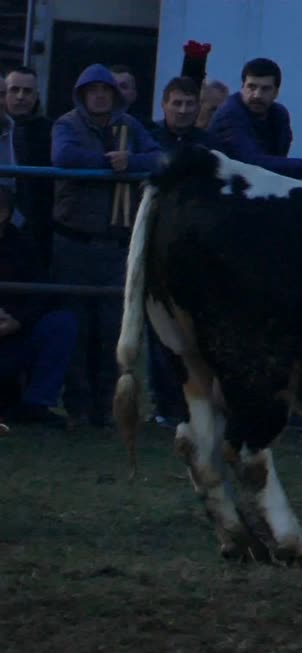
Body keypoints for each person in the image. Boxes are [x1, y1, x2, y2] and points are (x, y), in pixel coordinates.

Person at [50, 64, 164, 426]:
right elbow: (63, 157)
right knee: (77, 328)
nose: (100, 96)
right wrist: (106, 164)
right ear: (82, 94)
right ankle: (78, 407)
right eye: (93, 90)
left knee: (113, 330)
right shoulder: (67, 124)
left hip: (117, 246)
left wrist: (131, 161)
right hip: (75, 243)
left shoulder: (130, 128)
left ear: (115, 95)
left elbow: (160, 158)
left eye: (106, 90)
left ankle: (107, 408)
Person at [0, 186, 76, 428]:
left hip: (14, 333)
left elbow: (42, 292)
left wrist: (17, 321)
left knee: (61, 323)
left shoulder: (21, 244)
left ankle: (36, 404)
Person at [208, 58, 302, 182]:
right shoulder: (229, 115)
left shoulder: (279, 114)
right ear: (242, 87)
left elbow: (278, 159)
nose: (257, 95)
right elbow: (250, 162)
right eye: (251, 87)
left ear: (276, 92)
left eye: (265, 89)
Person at [4, 66, 53, 268]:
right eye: (14, 90)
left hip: (36, 226)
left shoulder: (51, 131)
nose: (21, 96)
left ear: (36, 95)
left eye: (27, 91)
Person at [150, 76, 216, 150]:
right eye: (177, 103)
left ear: (198, 107)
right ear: (163, 105)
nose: (183, 110)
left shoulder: (209, 143)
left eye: (189, 104)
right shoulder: (148, 139)